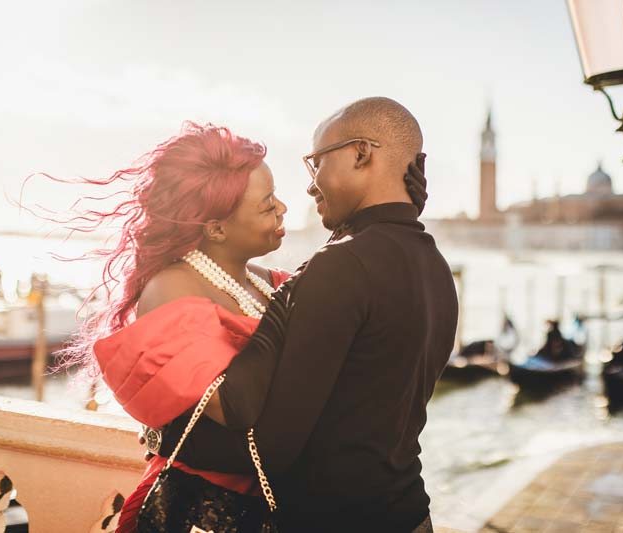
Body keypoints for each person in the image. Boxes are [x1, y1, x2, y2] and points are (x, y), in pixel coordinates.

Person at [68, 120, 426, 532]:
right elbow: (239, 411)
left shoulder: (269, 281)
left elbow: (334, 295)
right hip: (202, 512)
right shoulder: (173, 288)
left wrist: (387, 214)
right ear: (217, 228)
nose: (283, 208)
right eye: (267, 203)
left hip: (274, 506)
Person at [162, 97, 458, 533]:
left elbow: (270, 447)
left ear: (361, 154)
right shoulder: (434, 266)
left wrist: (166, 436)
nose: (310, 185)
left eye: (316, 163)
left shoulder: (342, 267)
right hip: (409, 513)